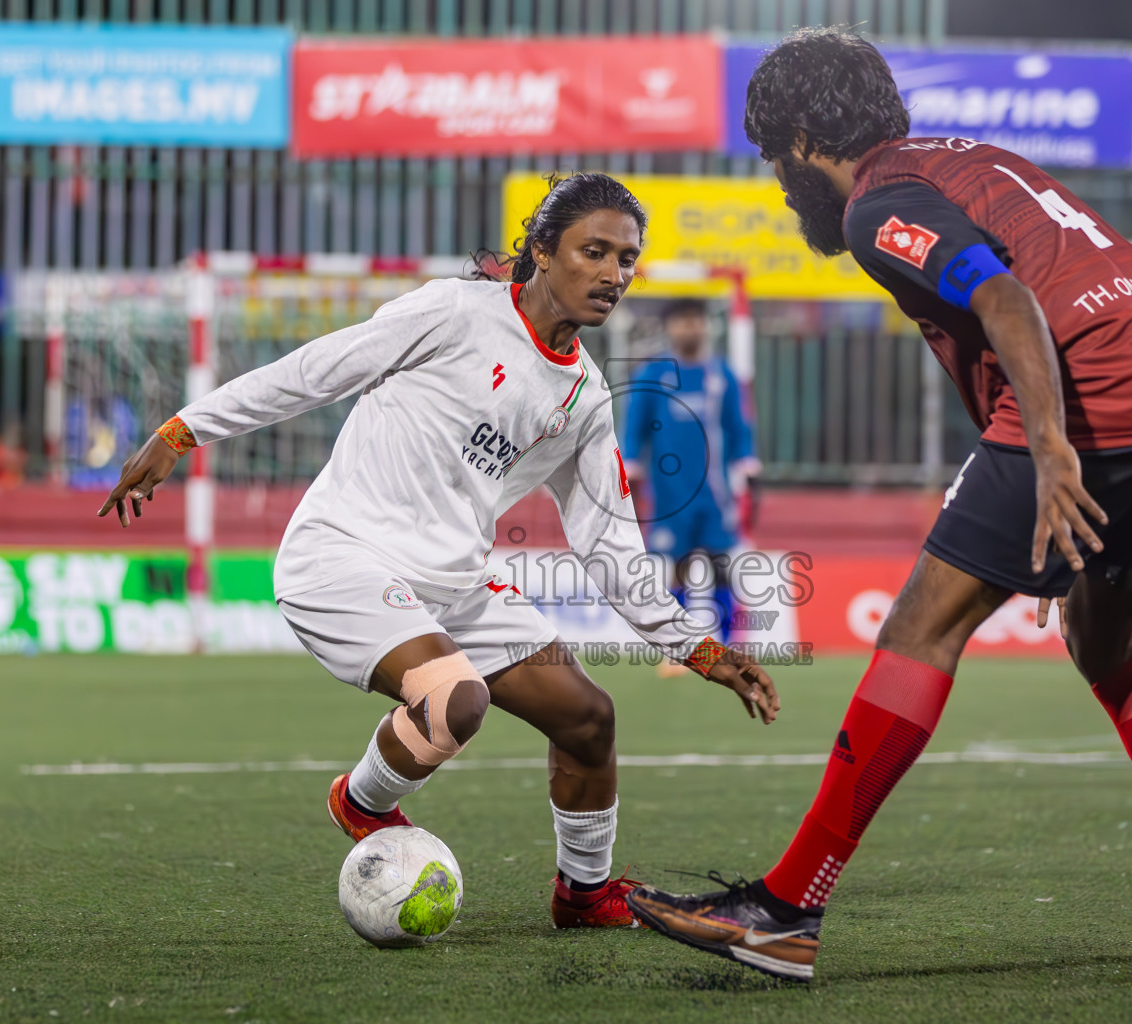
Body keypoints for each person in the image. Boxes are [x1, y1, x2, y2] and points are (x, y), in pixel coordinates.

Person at [627, 28, 1132, 982]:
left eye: (775, 156)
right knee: (1108, 644)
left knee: (918, 630)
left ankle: (784, 911)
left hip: (1095, 381)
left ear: (806, 136)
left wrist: (1053, 453)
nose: (779, 178)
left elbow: (1010, 302)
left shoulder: (876, 205)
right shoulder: (971, 158)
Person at [97, 173, 779, 930]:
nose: (615, 274)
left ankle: (584, 897)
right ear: (544, 252)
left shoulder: (585, 396)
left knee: (588, 718)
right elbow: (315, 371)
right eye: (596, 251)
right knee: (457, 700)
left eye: (627, 258)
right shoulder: (454, 311)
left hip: (454, 581)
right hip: (342, 556)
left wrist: (699, 648)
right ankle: (360, 802)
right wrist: (184, 429)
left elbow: (608, 541)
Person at [621, 298, 759, 676]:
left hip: (715, 495)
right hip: (669, 494)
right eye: (683, 321)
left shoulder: (721, 375)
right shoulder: (653, 375)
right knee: (674, 570)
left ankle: (733, 647)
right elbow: (635, 428)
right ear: (670, 328)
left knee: (722, 568)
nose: (690, 328)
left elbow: (739, 427)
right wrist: (630, 464)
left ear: (706, 326)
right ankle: (679, 650)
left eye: (696, 320)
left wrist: (747, 461)